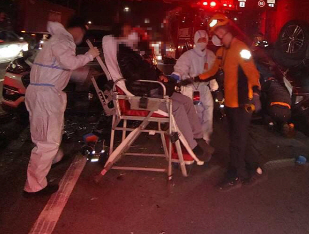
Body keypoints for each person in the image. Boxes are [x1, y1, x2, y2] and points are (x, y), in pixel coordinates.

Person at [102, 26, 214, 163]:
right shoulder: (124, 54)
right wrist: (153, 73)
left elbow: (149, 69)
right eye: (128, 31)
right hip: (144, 94)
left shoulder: (133, 51)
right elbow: (134, 75)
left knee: (186, 101)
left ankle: (198, 137)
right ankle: (191, 146)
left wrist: (160, 75)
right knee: (177, 108)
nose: (133, 33)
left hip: (154, 88)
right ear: (120, 36)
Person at [24, 17, 100, 197]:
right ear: (79, 30)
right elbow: (69, 63)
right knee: (47, 141)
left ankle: (53, 158)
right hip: (46, 96)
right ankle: (34, 186)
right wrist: (90, 55)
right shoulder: (64, 39)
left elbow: (59, 67)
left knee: (44, 136)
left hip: (40, 93)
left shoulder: (56, 39)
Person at [195, 14, 262, 190]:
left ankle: (235, 176)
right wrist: (194, 78)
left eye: (220, 30)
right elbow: (212, 71)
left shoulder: (241, 49)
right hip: (231, 103)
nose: (218, 33)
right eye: (216, 31)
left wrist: (256, 92)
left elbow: (252, 72)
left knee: (236, 141)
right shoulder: (221, 52)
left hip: (243, 102)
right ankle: (254, 169)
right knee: (239, 139)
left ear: (227, 29)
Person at [172, 30, 218, 142]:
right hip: (190, 88)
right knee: (192, 113)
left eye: (204, 39)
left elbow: (213, 70)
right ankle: (190, 139)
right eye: (200, 39)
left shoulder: (211, 55)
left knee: (208, 111)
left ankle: (205, 138)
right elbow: (180, 68)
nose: (202, 42)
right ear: (195, 40)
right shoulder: (188, 55)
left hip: (204, 88)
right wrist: (177, 77)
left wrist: (213, 81)